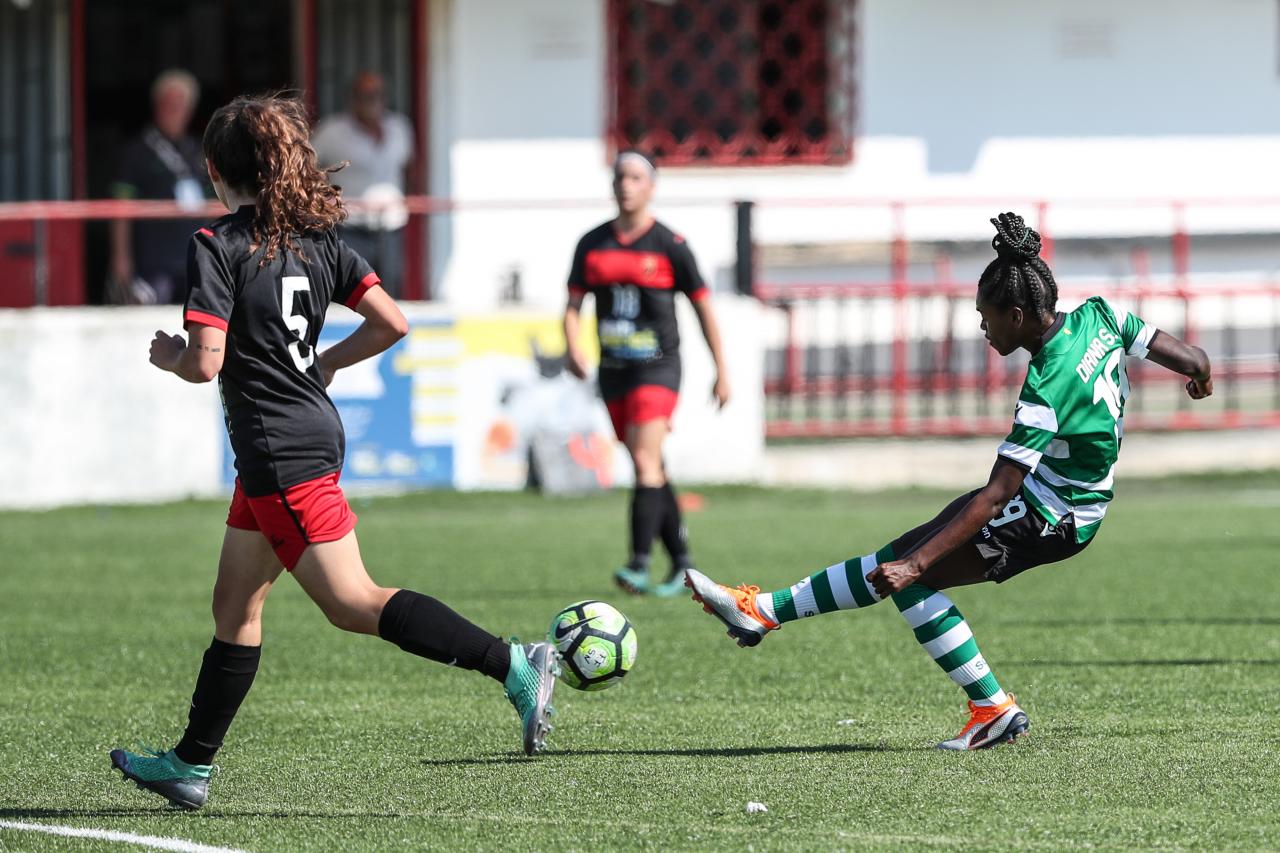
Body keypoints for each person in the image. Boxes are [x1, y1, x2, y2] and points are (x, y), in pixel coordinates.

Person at [109, 94, 558, 811]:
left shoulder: (217, 244)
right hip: (298, 436)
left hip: (277, 451)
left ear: (216, 170)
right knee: (234, 606)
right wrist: (325, 363)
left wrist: (171, 357)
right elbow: (392, 323)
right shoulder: (318, 241)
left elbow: (204, 361)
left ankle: (514, 663)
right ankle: (189, 764)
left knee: (352, 602)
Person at [686, 212, 1215, 750]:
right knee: (897, 557)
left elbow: (997, 495)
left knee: (912, 575)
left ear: (1016, 315)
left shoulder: (1046, 387)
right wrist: (1200, 375)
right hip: (1051, 496)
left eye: (986, 317)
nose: (983, 328)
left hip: (1053, 515)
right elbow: (1193, 358)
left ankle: (993, 710)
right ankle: (763, 612)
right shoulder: (1102, 317)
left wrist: (917, 566)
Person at [563, 150, 730, 598]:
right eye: (620, 176)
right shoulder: (592, 243)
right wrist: (572, 346)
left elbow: (703, 308)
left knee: (642, 460)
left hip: (658, 368)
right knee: (651, 465)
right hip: (613, 371)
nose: (626, 184)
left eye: (636, 177)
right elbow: (573, 304)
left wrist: (722, 369)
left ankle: (638, 562)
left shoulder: (670, 244)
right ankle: (683, 564)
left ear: (651, 187)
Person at [109, 69, 211, 304]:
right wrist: (121, 258)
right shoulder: (136, 151)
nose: (175, 111)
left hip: (194, 258)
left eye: (181, 105)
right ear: (156, 105)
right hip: (152, 263)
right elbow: (120, 208)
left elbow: (216, 205)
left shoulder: (199, 150)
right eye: (169, 104)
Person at [311, 71, 414, 297]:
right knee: (350, 292)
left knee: (391, 293)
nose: (372, 101)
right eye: (365, 95)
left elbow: (410, 169)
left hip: (391, 227)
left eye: (377, 94)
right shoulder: (332, 131)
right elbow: (307, 168)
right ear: (353, 98)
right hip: (350, 228)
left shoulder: (400, 128)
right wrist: (322, 200)